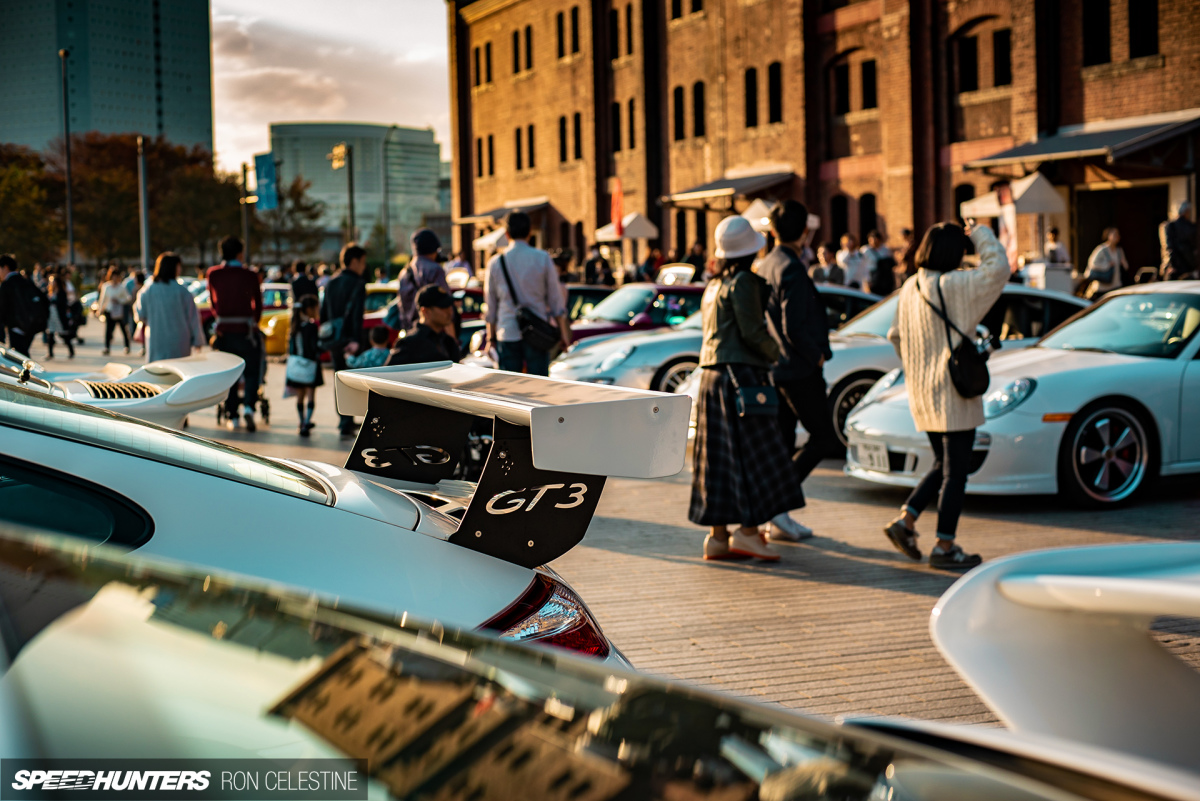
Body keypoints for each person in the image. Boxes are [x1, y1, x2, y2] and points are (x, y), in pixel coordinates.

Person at [884, 220, 1009, 570]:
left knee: (944, 464)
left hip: (922, 391)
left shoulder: (909, 287)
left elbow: (895, 336)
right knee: (957, 471)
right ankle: (944, 545)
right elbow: (998, 269)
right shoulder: (953, 284)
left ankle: (906, 521)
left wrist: (921, 361)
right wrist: (980, 233)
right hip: (953, 391)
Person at [689, 215, 805, 562]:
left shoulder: (712, 285)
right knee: (753, 458)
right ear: (751, 251)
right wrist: (779, 356)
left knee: (718, 461)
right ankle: (750, 533)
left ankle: (718, 538)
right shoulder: (744, 283)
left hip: (711, 380)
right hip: (740, 378)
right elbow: (753, 334)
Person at [758, 200, 840, 542]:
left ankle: (777, 515)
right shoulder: (790, 267)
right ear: (804, 231)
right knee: (822, 437)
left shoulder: (765, 265)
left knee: (785, 440)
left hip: (774, 367)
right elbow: (793, 326)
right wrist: (817, 354)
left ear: (773, 230)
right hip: (798, 368)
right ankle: (774, 505)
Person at [483, 211, 571, 376]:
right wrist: (563, 333)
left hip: (507, 330)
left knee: (509, 389)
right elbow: (555, 299)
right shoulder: (542, 258)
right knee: (539, 387)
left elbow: (491, 305)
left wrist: (490, 338)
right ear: (530, 232)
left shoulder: (495, 262)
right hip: (537, 331)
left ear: (507, 233)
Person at [207, 235, 264, 432]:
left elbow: (213, 303)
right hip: (246, 330)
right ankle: (249, 406)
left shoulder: (213, 274)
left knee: (229, 373)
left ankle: (233, 415)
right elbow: (258, 304)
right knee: (252, 371)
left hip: (224, 331)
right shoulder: (250, 275)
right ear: (240, 253)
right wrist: (254, 321)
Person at [321, 243, 369, 435]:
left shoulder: (331, 282)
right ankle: (350, 419)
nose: (364, 266)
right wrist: (356, 339)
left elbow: (324, 313)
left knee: (339, 378)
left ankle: (344, 420)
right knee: (354, 380)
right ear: (354, 261)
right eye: (363, 262)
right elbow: (357, 315)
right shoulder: (357, 283)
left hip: (334, 338)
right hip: (351, 338)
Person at [135, 252, 205, 362]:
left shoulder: (147, 290)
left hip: (156, 340)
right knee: (179, 374)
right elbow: (193, 318)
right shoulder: (182, 291)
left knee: (158, 374)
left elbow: (140, 315)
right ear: (174, 267)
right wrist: (198, 340)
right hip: (180, 343)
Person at [386, 285, 463, 366]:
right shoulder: (409, 344)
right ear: (425, 311)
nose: (450, 311)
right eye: (443, 307)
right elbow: (386, 374)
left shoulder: (448, 342)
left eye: (450, 306)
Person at [396, 229, 451, 330]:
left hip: (411, 330)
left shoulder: (404, 272)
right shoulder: (435, 269)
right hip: (433, 330)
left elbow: (401, 307)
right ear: (434, 248)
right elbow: (445, 303)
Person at [286, 294, 323, 437]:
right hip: (311, 365)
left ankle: (301, 422)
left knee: (300, 396)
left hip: (296, 365)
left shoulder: (294, 325)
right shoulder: (312, 327)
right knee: (311, 396)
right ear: (309, 309)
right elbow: (315, 347)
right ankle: (307, 422)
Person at [0, 254, 41, 356]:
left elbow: (2, 309)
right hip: (31, 325)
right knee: (23, 354)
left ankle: (28, 372)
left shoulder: (7, 284)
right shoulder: (25, 281)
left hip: (16, 326)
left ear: (5, 267)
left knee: (19, 357)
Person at [1082, 227, 1127, 299]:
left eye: (1118, 234)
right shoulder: (1102, 249)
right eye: (1115, 234)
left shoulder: (1119, 250)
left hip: (1116, 285)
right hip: (1102, 287)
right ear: (1109, 235)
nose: (1117, 236)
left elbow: (1126, 266)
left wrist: (1123, 263)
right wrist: (1107, 265)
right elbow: (1092, 263)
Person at [96, 265, 132, 355]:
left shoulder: (121, 287)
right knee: (108, 330)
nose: (115, 278)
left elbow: (128, 298)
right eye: (113, 276)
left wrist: (119, 300)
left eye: (116, 276)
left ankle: (127, 346)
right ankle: (107, 347)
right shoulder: (106, 286)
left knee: (123, 329)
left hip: (119, 311)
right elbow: (102, 299)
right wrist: (99, 310)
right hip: (109, 310)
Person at [1160, 202, 1196, 281]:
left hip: (1177, 266)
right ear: (1186, 212)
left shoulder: (1171, 225)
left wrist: (1171, 264)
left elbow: (1169, 247)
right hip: (1188, 267)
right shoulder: (1191, 227)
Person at [44, 272, 74, 359]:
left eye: (53, 281)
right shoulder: (50, 292)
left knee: (64, 335)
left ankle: (71, 350)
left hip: (59, 316)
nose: (52, 283)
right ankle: (50, 353)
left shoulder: (61, 293)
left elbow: (63, 305)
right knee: (50, 335)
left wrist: (55, 303)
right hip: (52, 316)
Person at [862, 230, 896, 295]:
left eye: (875, 240)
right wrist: (867, 280)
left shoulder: (886, 250)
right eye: (871, 240)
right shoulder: (866, 251)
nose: (873, 242)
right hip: (873, 278)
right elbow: (863, 267)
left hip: (885, 279)